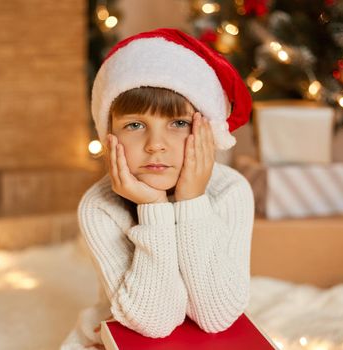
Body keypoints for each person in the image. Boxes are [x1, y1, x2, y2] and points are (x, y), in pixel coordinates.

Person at [60, 28, 254, 350]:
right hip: (124, 330)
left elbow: (216, 317)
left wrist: (191, 201)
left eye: (179, 123)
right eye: (134, 125)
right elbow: (156, 322)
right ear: (109, 137)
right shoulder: (99, 206)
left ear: (208, 133)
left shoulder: (231, 190)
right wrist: (154, 208)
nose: (155, 146)